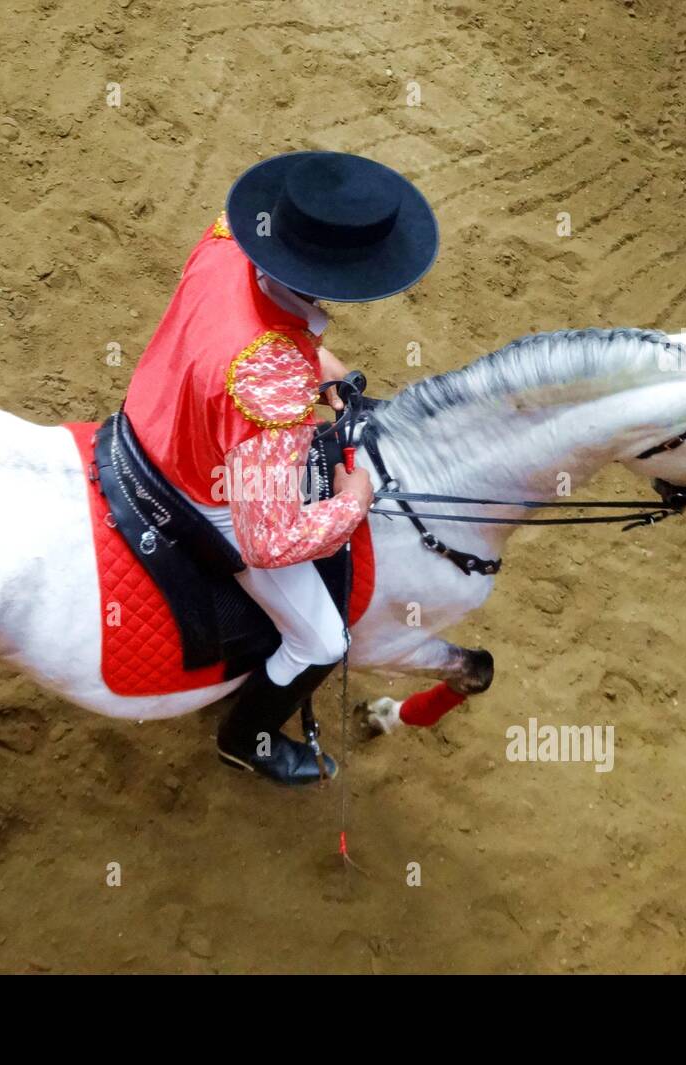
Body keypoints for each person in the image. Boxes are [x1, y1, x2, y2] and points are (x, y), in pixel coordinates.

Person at [124, 151, 439, 785]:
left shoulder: (229, 239)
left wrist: (324, 374)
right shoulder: (268, 383)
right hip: (194, 485)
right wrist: (353, 499)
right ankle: (247, 738)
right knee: (323, 642)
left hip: (152, 407)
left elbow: (256, 328)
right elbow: (269, 542)